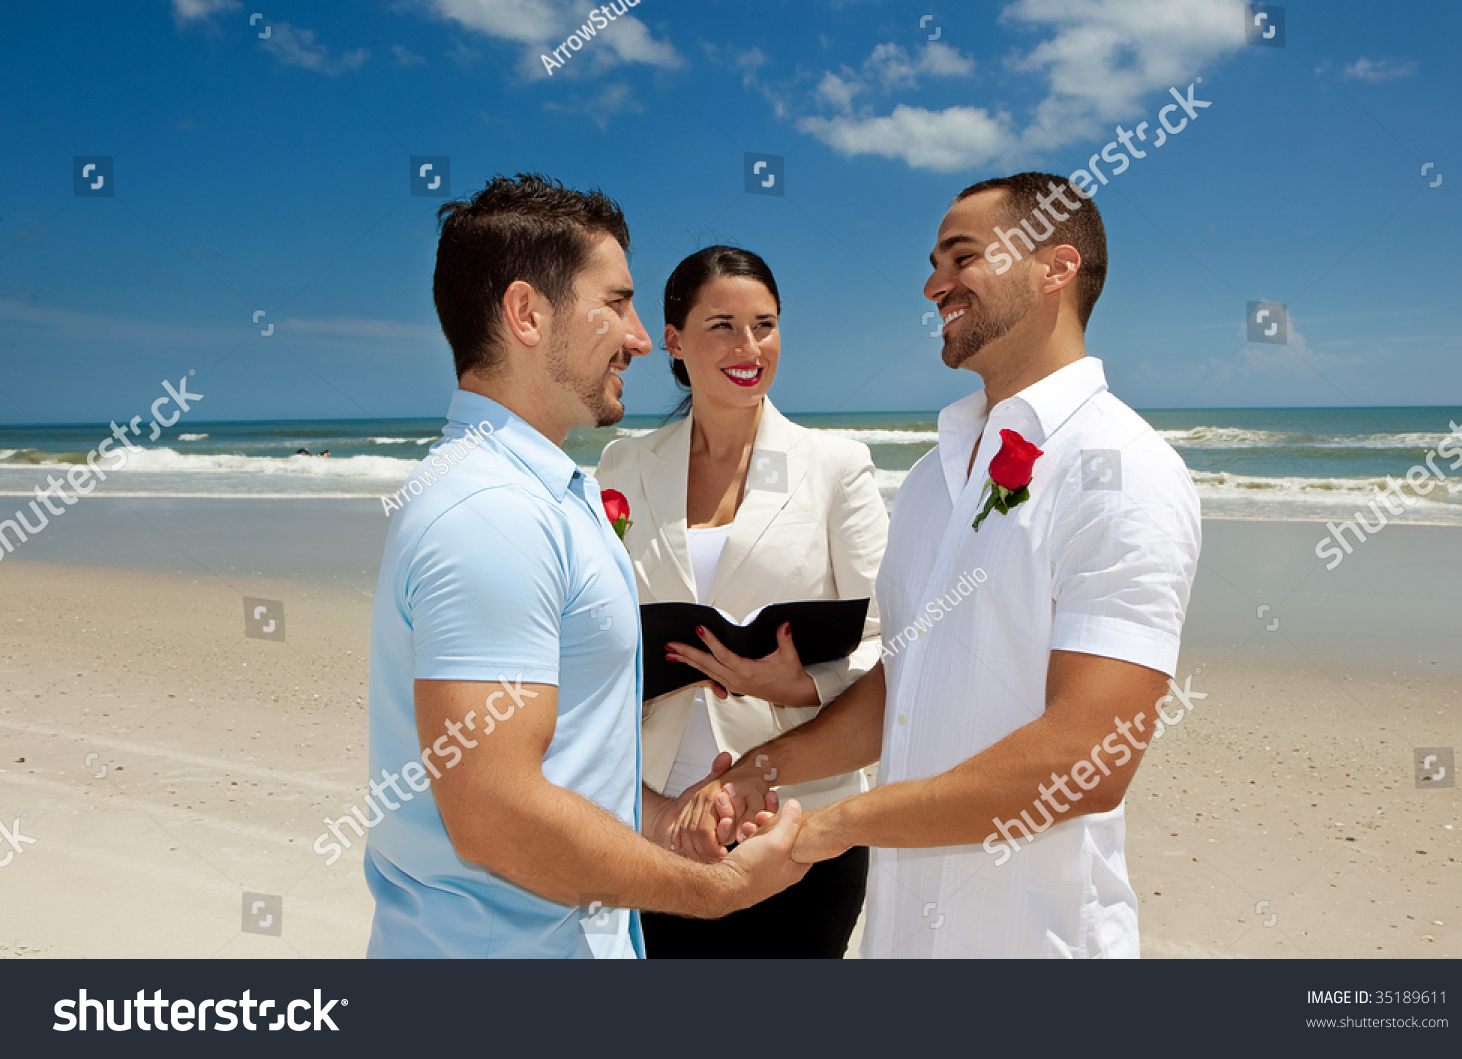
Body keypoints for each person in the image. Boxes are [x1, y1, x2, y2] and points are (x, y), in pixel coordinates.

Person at [685, 172, 1202, 958]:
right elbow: (904, 682)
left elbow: (1088, 757)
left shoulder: (1124, 468)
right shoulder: (934, 476)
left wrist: (833, 826)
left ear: (1056, 267)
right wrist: (761, 769)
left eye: (962, 257)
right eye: (934, 262)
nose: (933, 284)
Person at [362, 174, 808, 959]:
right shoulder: (491, 511)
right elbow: (494, 812)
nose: (640, 337)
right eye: (616, 302)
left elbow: (554, 762)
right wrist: (721, 892)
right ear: (527, 314)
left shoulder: (551, 494)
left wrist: (662, 818)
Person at [596, 246, 888, 958]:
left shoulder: (836, 467)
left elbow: (890, 638)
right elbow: (595, 625)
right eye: (722, 324)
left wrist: (799, 682)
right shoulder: (622, 465)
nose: (749, 347)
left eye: (765, 324)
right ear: (673, 339)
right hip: (652, 815)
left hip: (798, 819)